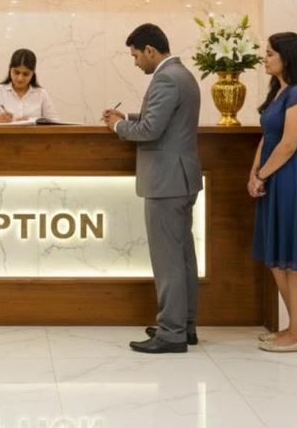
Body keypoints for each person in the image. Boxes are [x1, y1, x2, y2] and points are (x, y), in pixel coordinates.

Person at [102, 24, 203, 354]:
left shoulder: (165, 78)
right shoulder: (182, 74)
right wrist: (128, 115)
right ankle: (184, 325)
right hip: (181, 179)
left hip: (165, 182)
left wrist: (118, 125)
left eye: (135, 56)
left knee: (168, 260)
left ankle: (171, 333)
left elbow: (150, 130)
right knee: (183, 256)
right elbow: (165, 119)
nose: (135, 63)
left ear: (150, 50)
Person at [247, 32, 297, 353]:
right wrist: (254, 172)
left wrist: (262, 174)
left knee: (294, 260)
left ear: (288, 56)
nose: (264, 58)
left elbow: (289, 144)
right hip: (273, 176)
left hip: (292, 177)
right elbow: (268, 137)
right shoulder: (279, 91)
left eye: (270, 53)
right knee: (277, 259)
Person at [0, 48, 60, 123]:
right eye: (16, 72)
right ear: (10, 69)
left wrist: (32, 121)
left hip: (33, 136)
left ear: (33, 73)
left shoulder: (41, 94)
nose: (20, 78)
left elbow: (54, 121)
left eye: (26, 74)